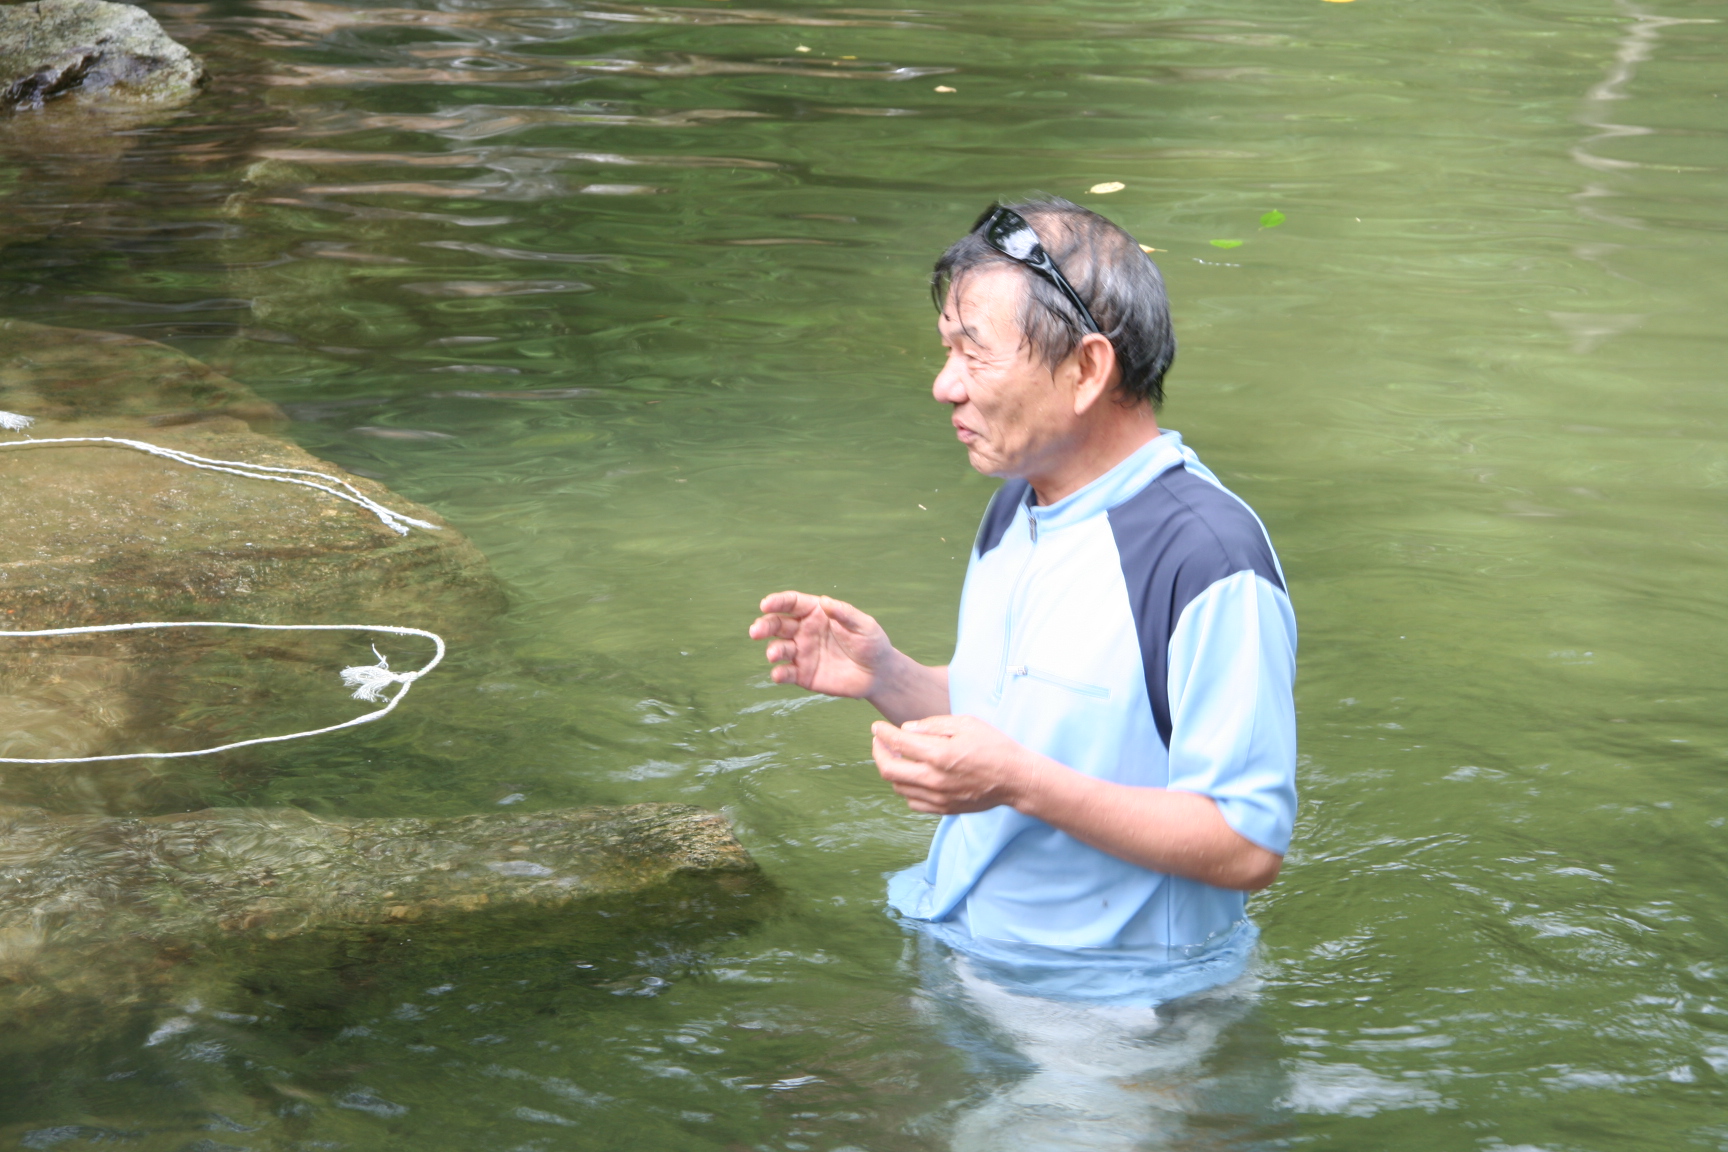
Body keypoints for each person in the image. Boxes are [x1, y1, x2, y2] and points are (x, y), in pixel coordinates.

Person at [749, 197, 1297, 1009]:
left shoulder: (1206, 558)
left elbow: (1247, 844)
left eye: (974, 354)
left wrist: (1020, 783)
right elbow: (1018, 721)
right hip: (959, 941)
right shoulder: (1019, 502)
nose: (944, 387)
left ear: (1087, 371)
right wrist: (889, 676)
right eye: (947, 351)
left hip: (1119, 1011)